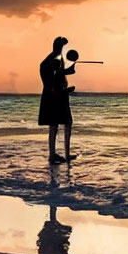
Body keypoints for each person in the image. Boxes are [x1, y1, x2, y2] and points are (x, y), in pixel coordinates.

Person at [38, 36, 75, 164]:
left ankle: (59, 154)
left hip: (57, 96)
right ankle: (55, 155)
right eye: (61, 46)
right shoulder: (54, 59)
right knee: (58, 125)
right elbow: (55, 78)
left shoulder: (55, 58)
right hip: (55, 97)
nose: (61, 49)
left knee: (59, 125)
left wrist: (67, 71)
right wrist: (67, 89)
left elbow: (58, 73)